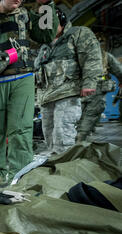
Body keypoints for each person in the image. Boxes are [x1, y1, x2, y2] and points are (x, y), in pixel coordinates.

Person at [0, 0, 60, 187]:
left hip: (22, 78)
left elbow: (47, 34)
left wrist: (46, 6)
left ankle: (20, 174)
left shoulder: (28, 17)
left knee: (21, 130)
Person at [36, 9, 103, 155]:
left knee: (63, 132)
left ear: (62, 22)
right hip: (47, 97)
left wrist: (89, 83)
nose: (48, 29)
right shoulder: (45, 46)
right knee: (48, 134)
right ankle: (56, 163)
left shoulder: (78, 34)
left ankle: (65, 166)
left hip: (67, 92)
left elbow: (92, 57)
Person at [76, 49, 122, 142]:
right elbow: (119, 71)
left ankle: (77, 142)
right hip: (95, 91)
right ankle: (79, 142)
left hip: (77, 91)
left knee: (77, 118)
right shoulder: (104, 55)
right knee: (89, 117)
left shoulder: (71, 52)